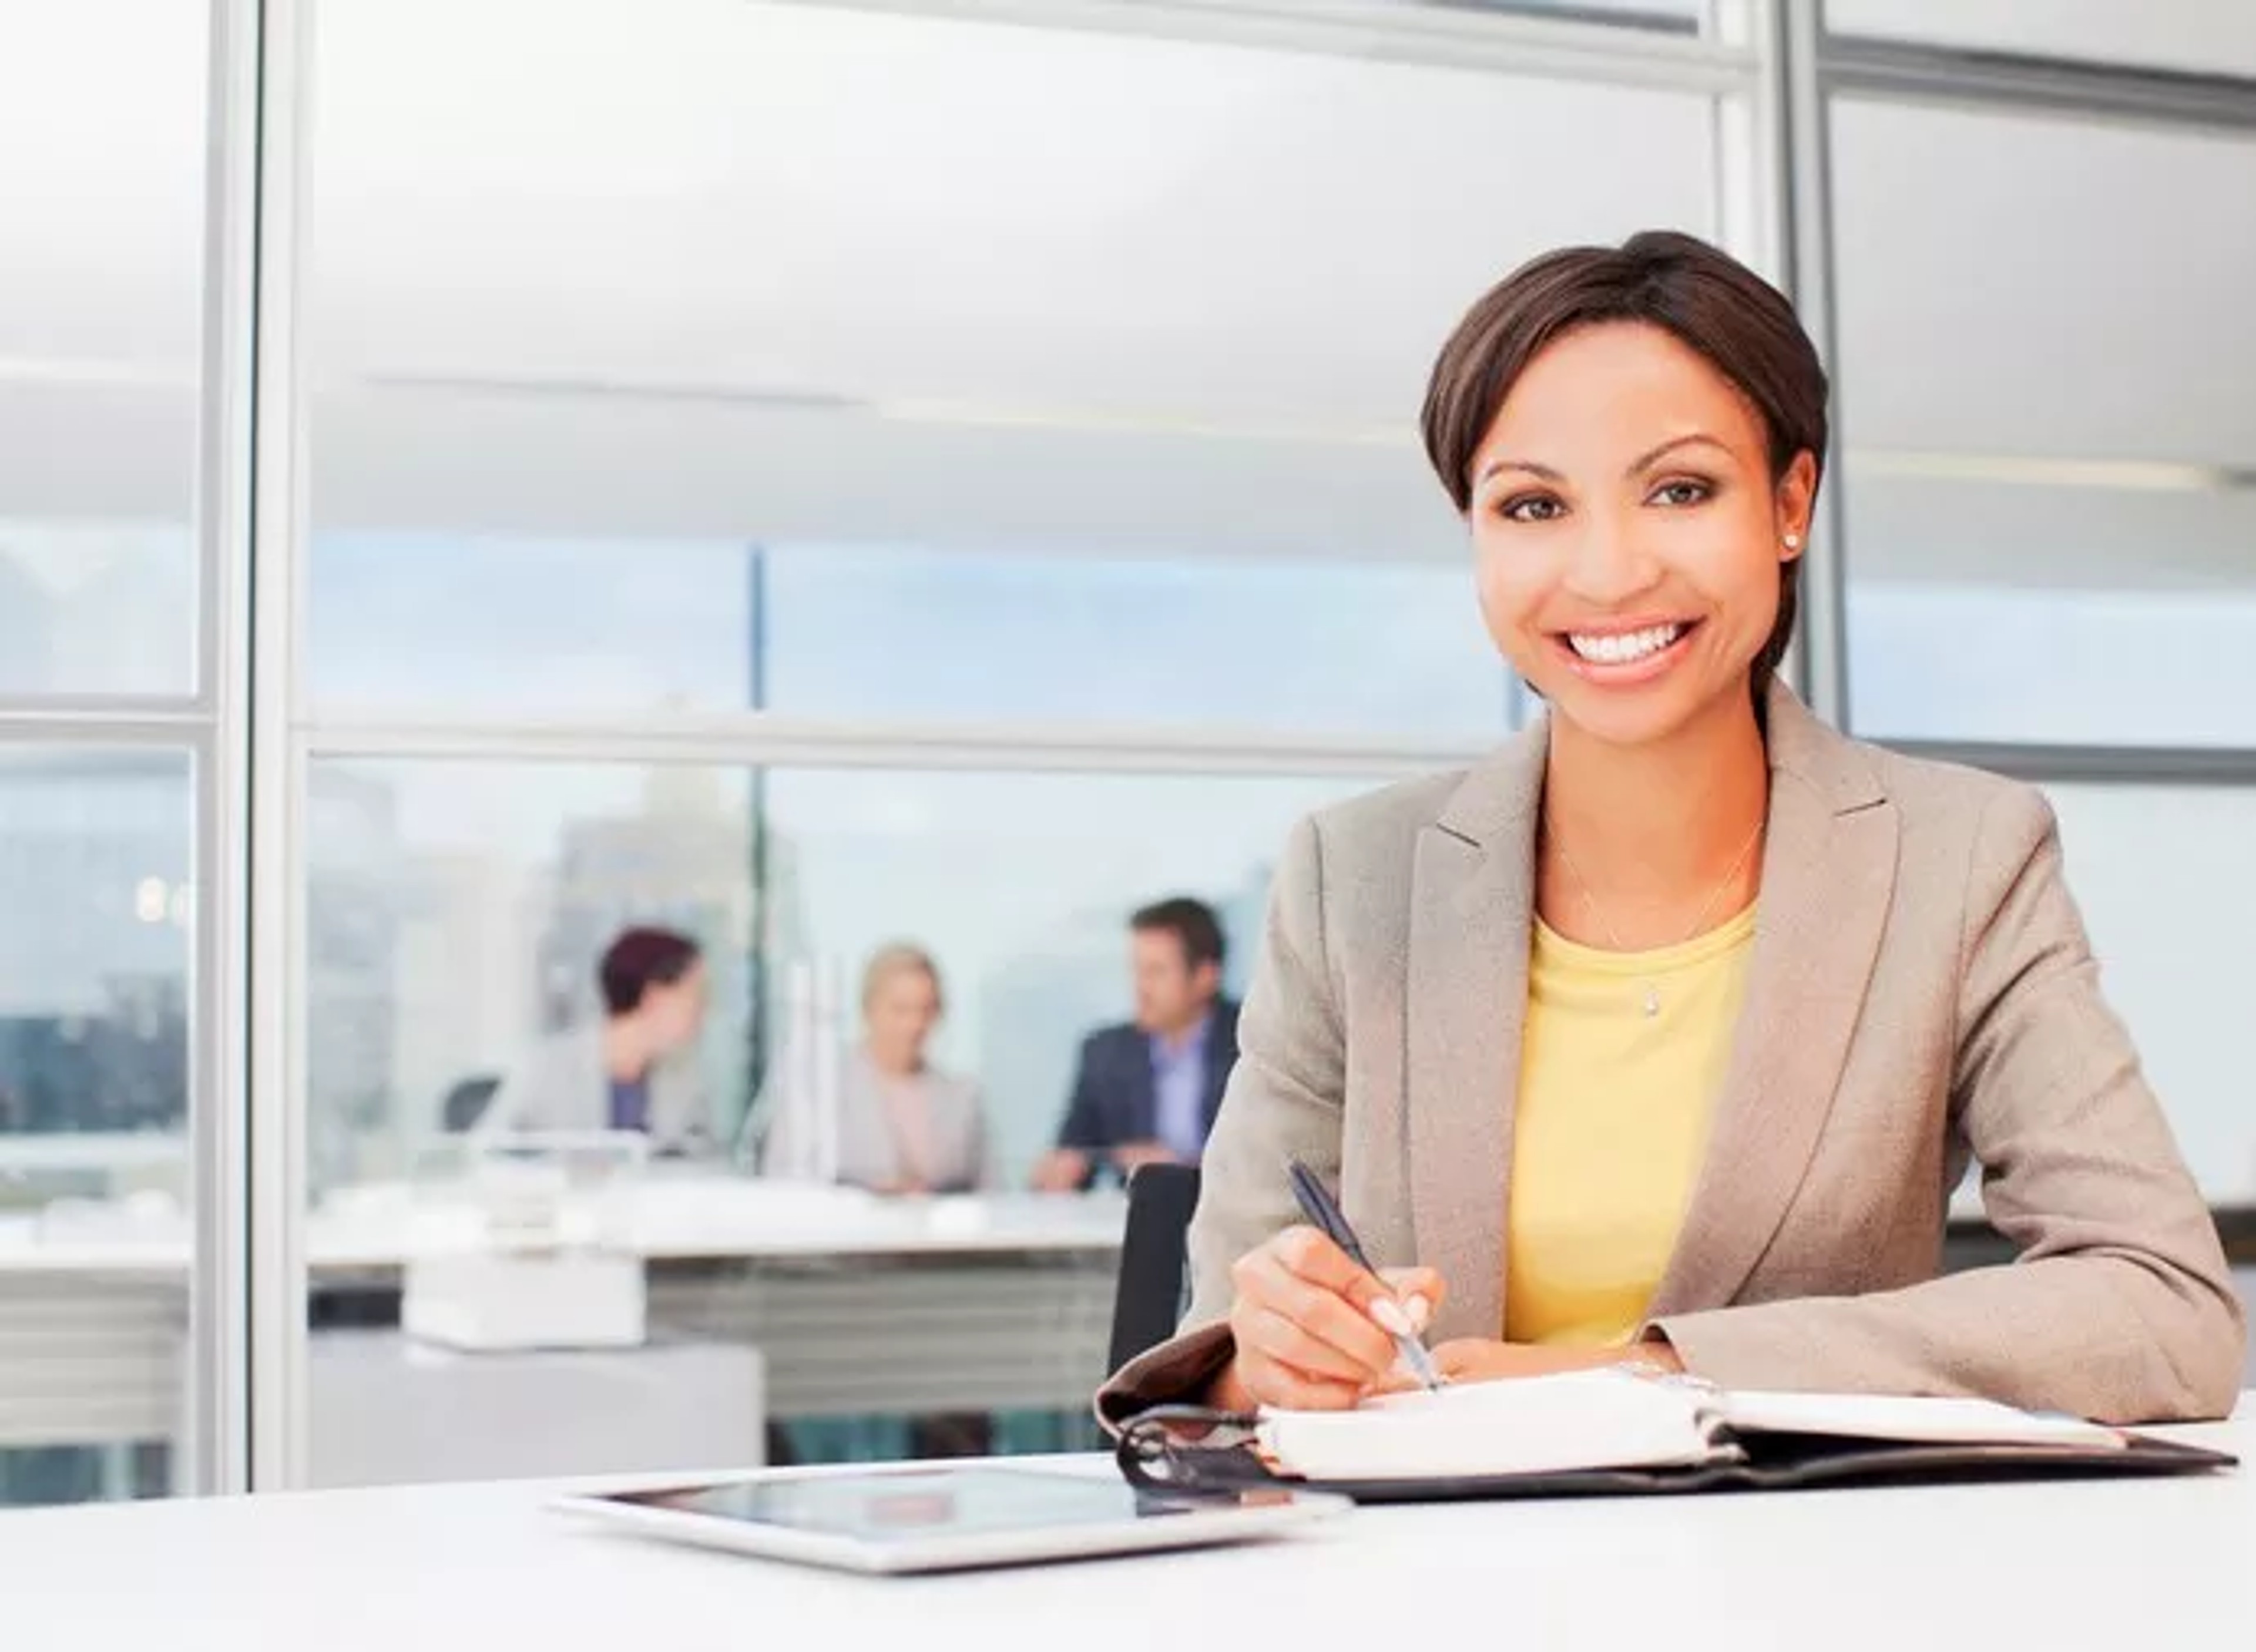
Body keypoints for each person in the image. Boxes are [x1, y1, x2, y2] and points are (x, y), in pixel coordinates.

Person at [1100, 231, 2242, 1428]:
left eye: (1680, 489)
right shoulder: (1356, 878)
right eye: (1534, 504)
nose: (1607, 571)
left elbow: (2165, 1310)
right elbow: (1213, 1360)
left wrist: (1644, 1371)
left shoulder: (1961, 859)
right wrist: (1271, 1352)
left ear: (1790, 502)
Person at [1032, 898, 1240, 1193]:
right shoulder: (1105, 1053)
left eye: (1156, 972)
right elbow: (1074, 1153)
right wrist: (1061, 1171)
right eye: (1137, 971)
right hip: (1135, 1224)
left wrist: (1185, 1167)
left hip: (1233, 1225)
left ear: (1206, 976)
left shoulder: (1253, 1047)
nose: (1141, 988)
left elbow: (1273, 1162)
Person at [763, 943, 991, 1194]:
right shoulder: (819, 1087)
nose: (915, 1024)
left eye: (926, 1010)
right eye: (900, 1010)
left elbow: (990, 1193)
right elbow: (783, 1179)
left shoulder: (963, 1098)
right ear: (869, 1009)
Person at [484, 925, 716, 1159]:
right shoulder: (549, 1070)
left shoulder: (682, 1082)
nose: (704, 1009)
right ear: (654, 996)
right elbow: (482, 1158)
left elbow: (703, 1168)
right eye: (697, 994)